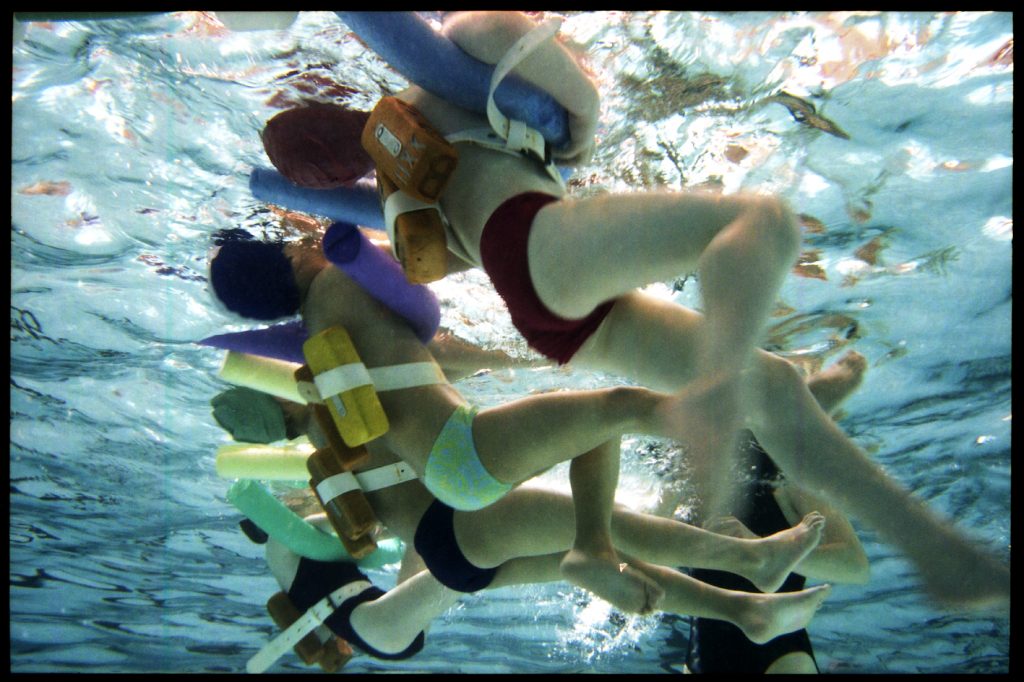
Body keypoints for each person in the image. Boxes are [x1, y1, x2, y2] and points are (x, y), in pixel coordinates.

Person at [260, 10, 1007, 609]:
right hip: (538, 248)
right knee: (761, 221)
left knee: (774, 387)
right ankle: (714, 395)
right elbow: (575, 96)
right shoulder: (461, 40)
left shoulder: (393, 197)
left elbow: (446, 261)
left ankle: (933, 548)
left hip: (547, 311)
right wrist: (576, 131)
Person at [208, 228, 787, 615]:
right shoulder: (342, 277)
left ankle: (742, 581)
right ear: (286, 255)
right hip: (457, 458)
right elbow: (417, 253)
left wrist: (500, 359)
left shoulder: (318, 340)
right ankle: (763, 413)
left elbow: (417, 357)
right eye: (294, 240)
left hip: (447, 510)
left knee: (602, 438)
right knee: (622, 406)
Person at [683, 351, 870, 674]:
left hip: (780, 652)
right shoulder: (685, 478)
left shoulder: (786, 477)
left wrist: (761, 545)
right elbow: (633, 544)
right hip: (704, 652)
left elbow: (855, 566)